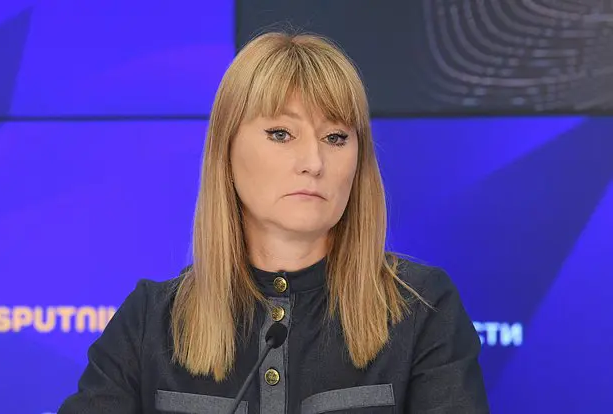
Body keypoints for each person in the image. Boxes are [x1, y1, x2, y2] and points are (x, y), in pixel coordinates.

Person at [58, 31, 489, 413]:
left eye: (335, 137)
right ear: (226, 150)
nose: (314, 162)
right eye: (281, 134)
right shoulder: (149, 322)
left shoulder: (421, 309)